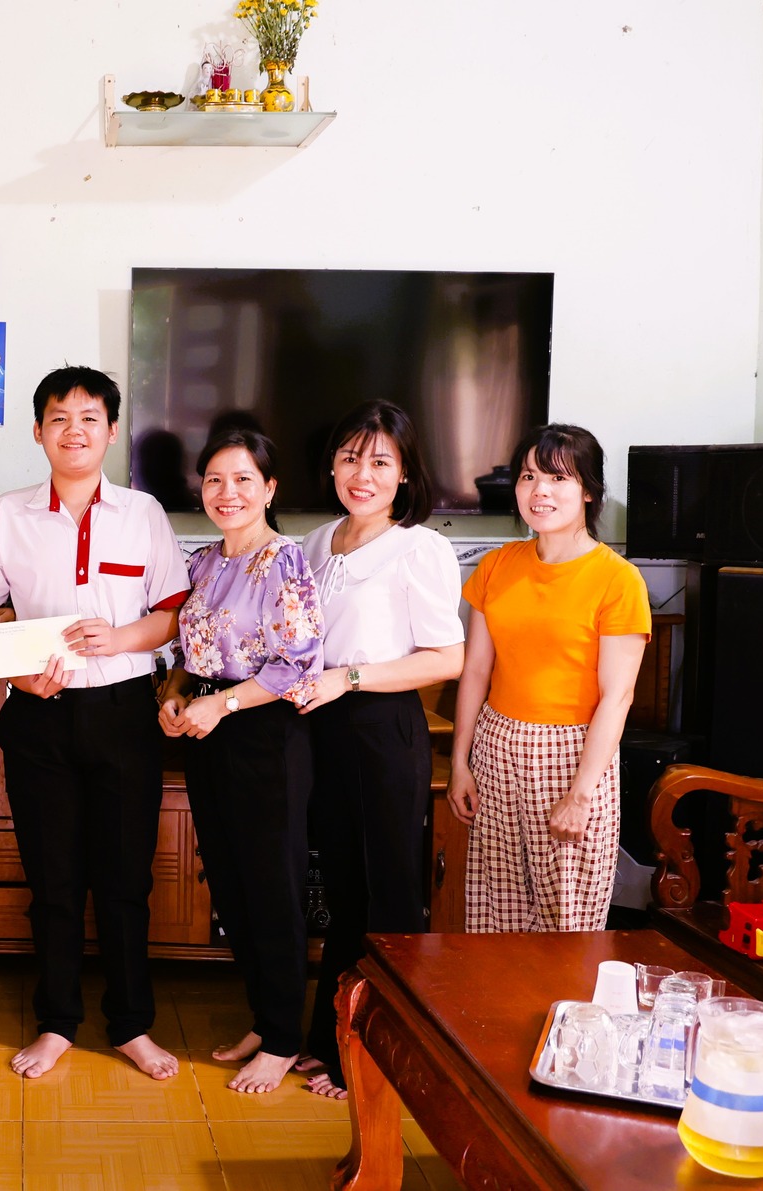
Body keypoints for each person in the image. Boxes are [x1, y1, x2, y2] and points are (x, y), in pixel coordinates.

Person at [0, 365, 190, 1082]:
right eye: (59, 418)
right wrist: (16, 671)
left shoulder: (143, 513)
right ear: (38, 431)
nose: (75, 430)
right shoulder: (8, 514)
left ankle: (131, 1024)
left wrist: (121, 638)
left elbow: (172, 614)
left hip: (125, 715)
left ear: (112, 430)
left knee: (125, 881)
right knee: (54, 881)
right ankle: (58, 1022)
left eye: (90, 417)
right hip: (40, 714)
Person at [295, 400, 465, 1100]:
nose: (362, 474)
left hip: (381, 726)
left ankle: (380, 1053)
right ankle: (331, 1038)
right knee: (343, 892)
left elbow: (447, 657)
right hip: (320, 729)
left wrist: (351, 677)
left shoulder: (419, 547)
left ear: (404, 474)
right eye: (350, 457)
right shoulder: (314, 542)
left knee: (388, 894)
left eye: (380, 461)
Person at [156, 428, 324, 1094]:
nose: (228, 492)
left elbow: (298, 663)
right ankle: (264, 1017)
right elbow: (185, 653)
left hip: (265, 734)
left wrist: (220, 705)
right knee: (230, 885)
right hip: (207, 733)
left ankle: (283, 1038)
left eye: (244, 479)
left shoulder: (286, 560)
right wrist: (175, 695)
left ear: (270, 488)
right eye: (215, 480)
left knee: (272, 886)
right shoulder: (200, 563)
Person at [451, 424, 650, 933]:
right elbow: (475, 671)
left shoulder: (618, 579)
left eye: (558, 478)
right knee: (494, 913)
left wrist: (581, 795)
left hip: (572, 755)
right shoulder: (496, 565)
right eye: (528, 476)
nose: (540, 490)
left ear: (588, 490)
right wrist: (460, 763)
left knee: (567, 922)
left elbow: (617, 696)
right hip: (495, 746)